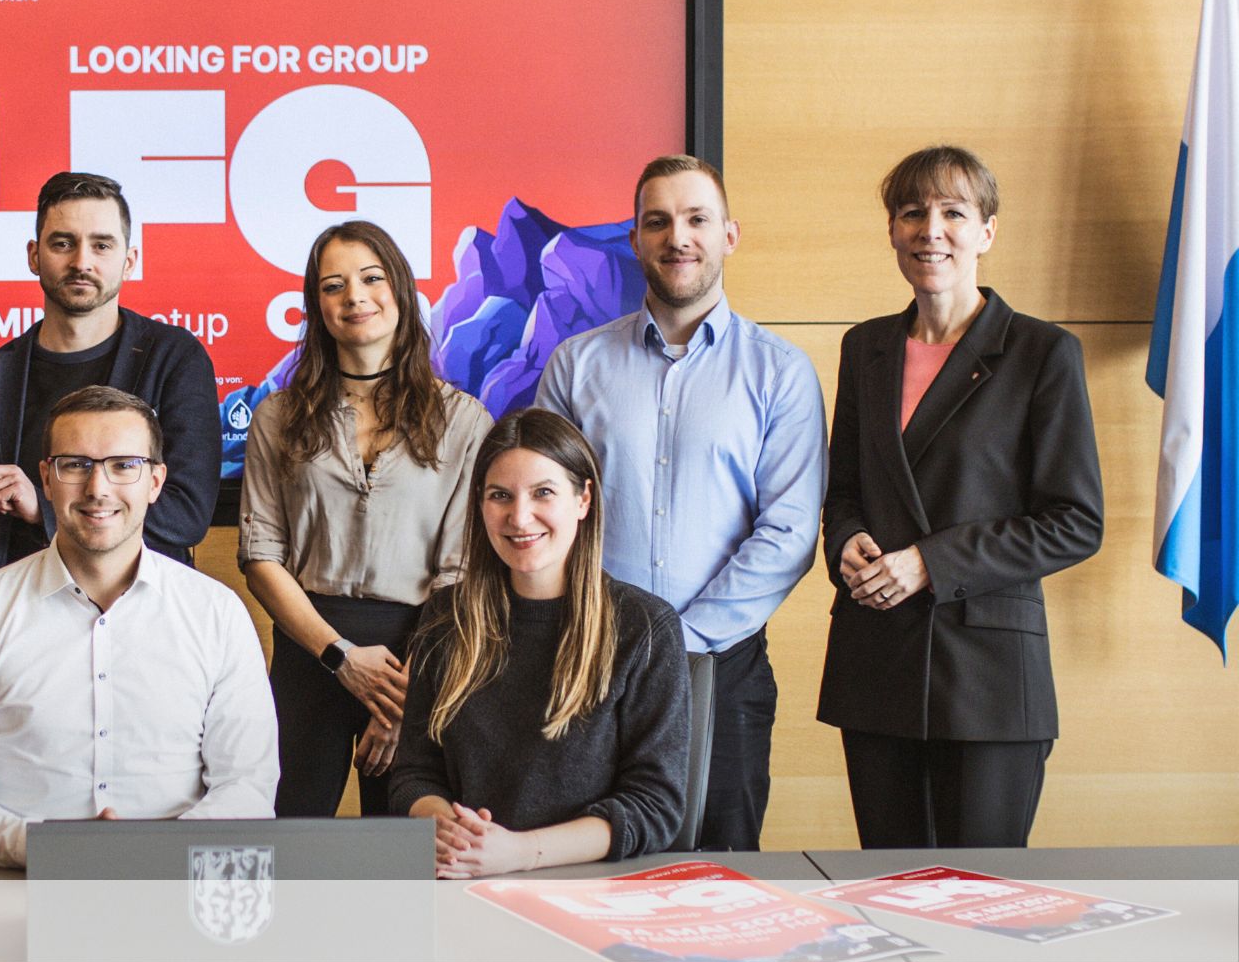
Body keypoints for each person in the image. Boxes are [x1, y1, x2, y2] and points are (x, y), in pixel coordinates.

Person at [536, 154, 825, 851]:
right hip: (590, 662)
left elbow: (788, 533)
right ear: (635, 239)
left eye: (697, 219)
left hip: (723, 669)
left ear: (729, 234)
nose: (678, 237)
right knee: (589, 871)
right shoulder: (575, 364)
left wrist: (677, 643)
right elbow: (543, 517)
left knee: (722, 875)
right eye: (658, 222)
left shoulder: (780, 373)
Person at [818, 145, 1104, 849]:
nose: (931, 230)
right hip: (877, 663)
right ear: (892, 231)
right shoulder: (864, 348)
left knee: (980, 896)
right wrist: (845, 541)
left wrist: (930, 563)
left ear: (987, 232)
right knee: (888, 890)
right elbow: (844, 488)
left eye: (953, 212)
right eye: (912, 213)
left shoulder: (1042, 352)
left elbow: (1076, 521)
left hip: (989, 678)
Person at [0, 386, 278, 867]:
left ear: (155, 482)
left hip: (174, 885)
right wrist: (53, 851)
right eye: (76, 465)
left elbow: (247, 787)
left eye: (124, 465)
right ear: (46, 479)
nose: (98, 488)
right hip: (19, 885)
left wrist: (154, 855)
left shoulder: (217, 614)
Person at [239, 221, 492, 817]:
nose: (355, 296)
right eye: (334, 286)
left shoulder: (465, 420)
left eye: (371, 278)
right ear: (317, 308)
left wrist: (407, 699)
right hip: (310, 652)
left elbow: (460, 573)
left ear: (400, 289)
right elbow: (260, 556)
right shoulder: (277, 416)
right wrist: (340, 657)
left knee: (404, 846)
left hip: (420, 655)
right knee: (289, 836)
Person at [391, 409, 690, 876]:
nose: (519, 516)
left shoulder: (645, 627)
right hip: (463, 874)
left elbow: (655, 805)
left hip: (591, 884)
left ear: (583, 499)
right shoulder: (446, 617)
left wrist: (521, 852)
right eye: (500, 495)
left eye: (543, 493)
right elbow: (414, 773)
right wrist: (451, 830)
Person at [0, 172, 220, 577]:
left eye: (101, 245)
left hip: (139, 602)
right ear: (34, 256)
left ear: (129, 261)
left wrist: (43, 508)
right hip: (18, 602)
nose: (81, 262)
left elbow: (187, 514)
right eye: (63, 243)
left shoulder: (175, 359)